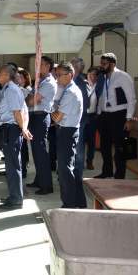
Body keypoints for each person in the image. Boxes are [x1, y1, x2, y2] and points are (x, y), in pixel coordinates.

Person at [95, 53, 137, 179]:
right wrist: (99, 114)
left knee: (121, 147)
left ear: (112, 64)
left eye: (104, 64)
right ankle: (107, 171)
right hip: (104, 115)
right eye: (101, 63)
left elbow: (131, 99)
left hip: (119, 115)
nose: (101, 66)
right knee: (104, 146)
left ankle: (120, 174)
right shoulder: (102, 78)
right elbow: (100, 97)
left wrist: (129, 118)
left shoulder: (123, 77)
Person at [0, 65, 33, 210]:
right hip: (10, 129)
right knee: (11, 165)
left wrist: (23, 129)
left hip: (11, 129)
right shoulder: (9, 88)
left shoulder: (11, 90)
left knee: (13, 166)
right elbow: (22, 110)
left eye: (0, 73)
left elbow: (18, 112)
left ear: (6, 75)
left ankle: (16, 198)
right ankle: (14, 195)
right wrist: (23, 128)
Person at [51, 62, 86, 208]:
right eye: (56, 75)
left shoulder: (71, 92)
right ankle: (79, 201)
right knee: (69, 168)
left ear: (70, 75)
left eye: (60, 75)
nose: (57, 78)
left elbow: (57, 117)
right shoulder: (68, 90)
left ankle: (70, 203)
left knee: (65, 170)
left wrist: (52, 110)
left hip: (67, 132)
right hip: (67, 130)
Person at [26, 56, 57, 195]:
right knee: (36, 152)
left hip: (41, 117)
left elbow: (31, 101)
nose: (38, 66)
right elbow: (30, 98)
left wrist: (30, 98)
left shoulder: (49, 83)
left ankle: (46, 186)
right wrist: (30, 97)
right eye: (38, 64)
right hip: (34, 116)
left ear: (48, 66)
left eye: (41, 64)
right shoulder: (40, 81)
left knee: (41, 153)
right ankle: (39, 180)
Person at [70, 58, 90, 178]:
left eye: (71, 65)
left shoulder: (81, 82)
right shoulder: (73, 80)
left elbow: (85, 103)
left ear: (77, 68)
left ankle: (77, 174)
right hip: (70, 119)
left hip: (78, 119)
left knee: (78, 147)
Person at [16, 68, 32, 178]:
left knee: (23, 147)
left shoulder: (27, 90)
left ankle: (23, 169)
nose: (18, 79)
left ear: (26, 79)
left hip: (25, 120)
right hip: (18, 119)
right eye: (17, 77)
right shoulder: (17, 88)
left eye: (21, 77)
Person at [84, 67, 100, 170]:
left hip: (93, 116)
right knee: (81, 139)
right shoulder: (83, 85)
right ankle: (79, 160)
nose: (92, 77)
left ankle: (90, 161)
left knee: (91, 140)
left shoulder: (99, 87)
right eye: (90, 74)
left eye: (94, 75)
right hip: (83, 115)